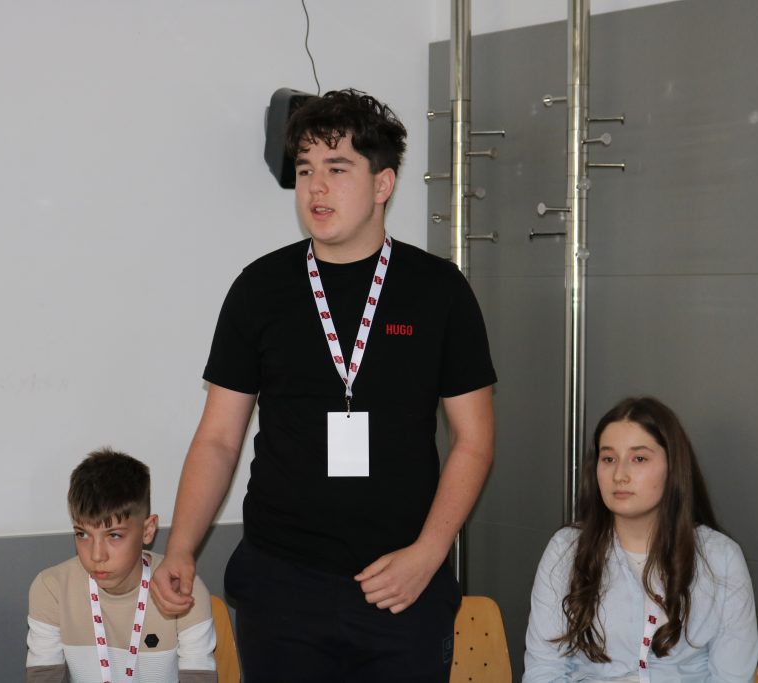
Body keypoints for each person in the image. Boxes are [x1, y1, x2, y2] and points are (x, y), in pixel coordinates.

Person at [150, 88, 497, 682]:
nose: (316, 188)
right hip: (282, 583)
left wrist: (428, 553)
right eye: (306, 169)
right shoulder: (260, 289)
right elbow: (219, 439)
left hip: (401, 582)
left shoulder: (438, 290)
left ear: (383, 184)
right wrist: (181, 546)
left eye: (337, 169)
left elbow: (474, 440)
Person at [523, 397, 758, 682]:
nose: (619, 475)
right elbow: (544, 670)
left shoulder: (721, 558)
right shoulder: (566, 549)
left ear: (673, 467)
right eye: (608, 459)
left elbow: (732, 677)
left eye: (639, 459)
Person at [26, 448, 217, 683]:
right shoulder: (51, 589)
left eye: (114, 535)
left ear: (147, 530)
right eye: (82, 534)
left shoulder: (181, 588)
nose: (97, 555)